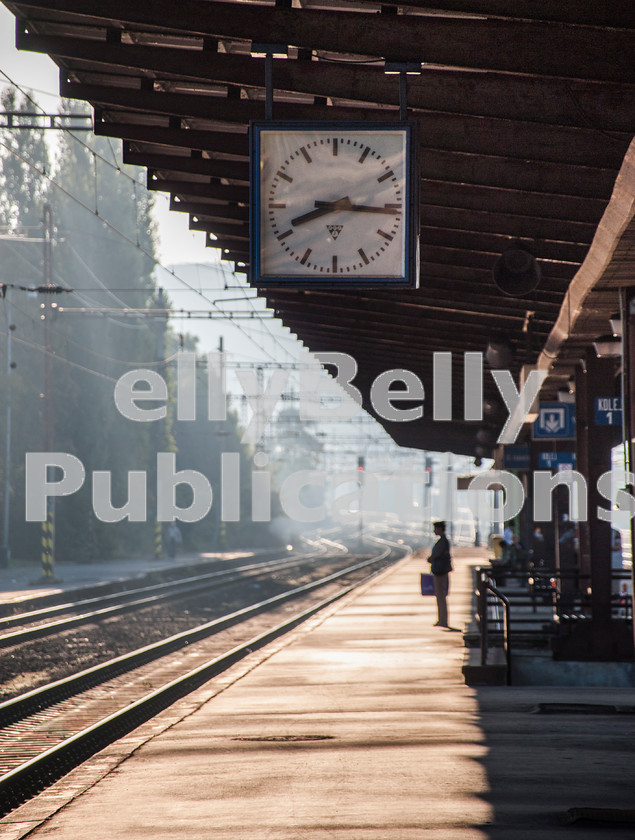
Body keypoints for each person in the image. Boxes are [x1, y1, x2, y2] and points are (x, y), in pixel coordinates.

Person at [427, 520, 452, 627]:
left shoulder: (443, 541)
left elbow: (436, 554)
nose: (434, 531)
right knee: (440, 596)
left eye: (435, 528)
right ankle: (441, 619)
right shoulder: (443, 541)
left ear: (440, 529)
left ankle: (443, 620)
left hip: (440, 571)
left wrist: (430, 558)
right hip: (440, 571)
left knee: (440, 596)